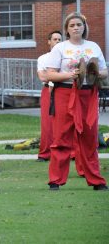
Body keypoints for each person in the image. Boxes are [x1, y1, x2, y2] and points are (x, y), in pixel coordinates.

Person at [46, 12, 108, 191]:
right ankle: (55, 180)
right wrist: (70, 75)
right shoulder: (60, 48)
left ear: (84, 27)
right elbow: (50, 74)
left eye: (79, 25)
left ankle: (96, 180)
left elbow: (104, 71)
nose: (76, 28)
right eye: (72, 25)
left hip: (88, 94)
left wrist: (95, 72)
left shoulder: (93, 46)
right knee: (62, 136)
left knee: (89, 137)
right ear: (67, 29)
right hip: (65, 92)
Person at [36, 30, 62, 162]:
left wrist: (52, 75)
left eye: (59, 39)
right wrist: (57, 76)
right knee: (47, 122)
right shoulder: (43, 58)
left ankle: (71, 152)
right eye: (55, 39)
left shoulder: (65, 58)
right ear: (49, 41)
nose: (57, 42)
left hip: (63, 90)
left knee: (65, 122)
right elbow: (42, 76)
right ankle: (45, 153)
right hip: (47, 91)